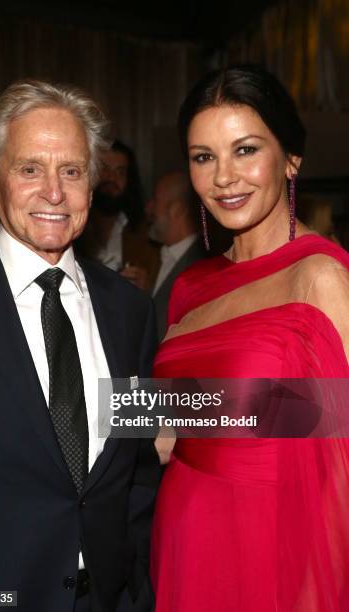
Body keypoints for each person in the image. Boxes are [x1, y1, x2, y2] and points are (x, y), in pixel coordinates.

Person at [0, 79, 161, 612]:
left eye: (72, 171)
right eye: (30, 169)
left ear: (93, 186)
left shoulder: (129, 310)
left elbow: (139, 467)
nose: (55, 192)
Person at [150, 65, 349, 611]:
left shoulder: (323, 277)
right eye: (203, 157)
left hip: (272, 549)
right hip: (183, 534)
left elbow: (339, 425)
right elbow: (165, 427)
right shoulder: (189, 286)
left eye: (245, 150)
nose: (223, 178)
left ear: (291, 159)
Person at [77, 141, 160, 291]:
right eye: (105, 170)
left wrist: (146, 287)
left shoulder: (146, 234)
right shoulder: (73, 230)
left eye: (120, 172)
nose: (111, 179)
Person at [147, 171, 205, 341]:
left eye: (155, 200)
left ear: (176, 210)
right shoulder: (153, 255)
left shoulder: (201, 267)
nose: (148, 207)